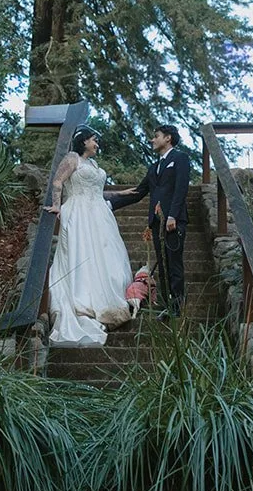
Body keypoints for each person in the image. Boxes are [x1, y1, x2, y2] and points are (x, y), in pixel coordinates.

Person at [45, 127, 134, 347]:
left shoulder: (93, 164)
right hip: (79, 213)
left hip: (99, 214)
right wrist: (57, 206)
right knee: (81, 253)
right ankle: (84, 303)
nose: (97, 144)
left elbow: (95, 190)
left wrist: (120, 194)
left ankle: (108, 304)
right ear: (84, 141)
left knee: (105, 256)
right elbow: (58, 182)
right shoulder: (73, 158)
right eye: (94, 140)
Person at [114, 124, 191, 317]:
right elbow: (138, 193)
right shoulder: (153, 167)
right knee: (163, 267)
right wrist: (108, 202)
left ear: (168, 138)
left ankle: (177, 308)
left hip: (173, 221)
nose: (152, 140)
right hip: (156, 224)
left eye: (156, 136)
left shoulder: (180, 159)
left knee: (174, 264)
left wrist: (172, 215)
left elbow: (181, 188)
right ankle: (167, 305)